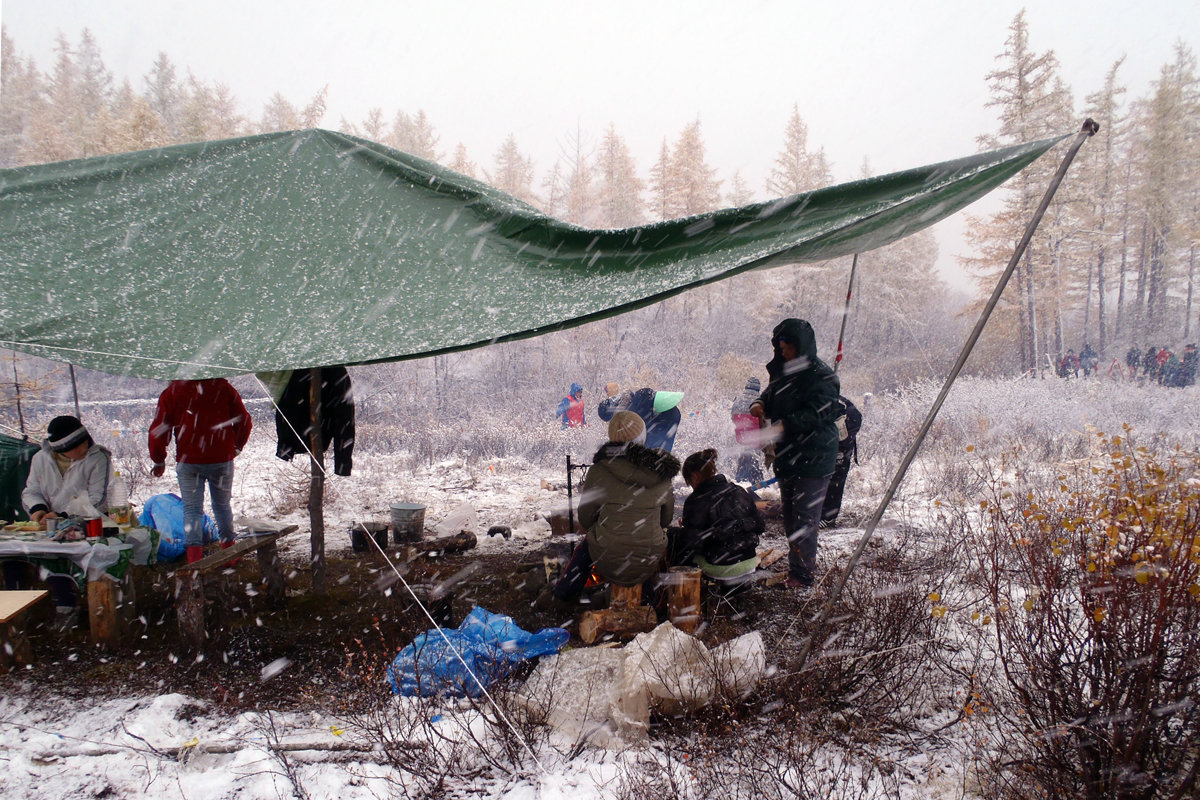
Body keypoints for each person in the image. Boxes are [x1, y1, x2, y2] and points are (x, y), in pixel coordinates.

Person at [550, 411, 680, 602]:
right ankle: (650, 601)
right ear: (643, 437)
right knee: (650, 540)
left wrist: (607, 526)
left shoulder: (599, 470)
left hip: (606, 557)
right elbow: (666, 520)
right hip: (648, 557)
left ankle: (565, 593)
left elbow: (585, 519)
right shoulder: (660, 470)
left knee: (588, 543)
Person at [749, 318, 840, 591]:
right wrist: (760, 402)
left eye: (788, 348)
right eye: (781, 348)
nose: (784, 353)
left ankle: (803, 576)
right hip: (789, 456)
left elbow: (821, 412)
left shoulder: (822, 376)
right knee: (790, 516)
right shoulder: (784, 370)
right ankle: (796, 567)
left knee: (804, 519)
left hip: (814, 457)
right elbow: (772, 390)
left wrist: (785, 424)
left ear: (801, 347)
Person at [149, 378, 252, 563]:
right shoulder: (222, 386)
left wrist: (158, 460)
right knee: (222, 506)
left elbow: (159, 429)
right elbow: (244, 419)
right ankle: (230, 554)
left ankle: (194, 559)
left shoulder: (174, 390)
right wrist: (237, 445)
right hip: (221, 458)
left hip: (189, 460)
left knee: (192, 510)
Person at [672, 448, 765, 582]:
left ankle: (684, 585)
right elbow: (760, 525)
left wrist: (686, 530)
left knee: (675, 539)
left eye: (689, 480)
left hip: (721, 566)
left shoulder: (696, 500)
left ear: (694, 476)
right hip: (749, 561)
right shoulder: (738, 490)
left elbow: (691, 543)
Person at [21, 415, 113, 524]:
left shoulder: (98, 458)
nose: (84, 448)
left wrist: (64, 516)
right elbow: (32, 491)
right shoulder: (40, 459)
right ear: (61, 449)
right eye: (76, 446)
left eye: (85, 441)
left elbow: (99, 500)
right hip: (48, 528)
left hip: (88, 526)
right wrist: (38, 508)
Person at [597, 386, 684, 452]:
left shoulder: (633, 410)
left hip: (665, 417)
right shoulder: (634, 401)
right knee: (660, 453)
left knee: (651, 452)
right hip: (670, 415)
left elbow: (635, 436)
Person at [820, 395, 862, 528]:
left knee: (831, 486)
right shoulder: (849, 411)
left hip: (837, 455)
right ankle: (827, 516)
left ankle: (828, 517)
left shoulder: (828, 414)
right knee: (834, 486)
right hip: (842, 455)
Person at [730, 377, 764, 484]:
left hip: (740, 435)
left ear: (746, 386)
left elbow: (732, 417)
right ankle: (757, 482)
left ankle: (740, 480)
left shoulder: (738, 399)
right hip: (756, 437)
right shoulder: (761, 400)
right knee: (754, 460)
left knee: (743, 456)